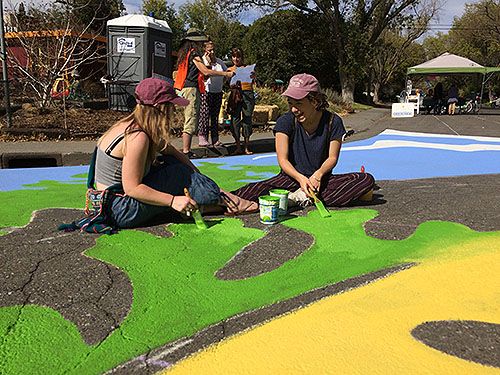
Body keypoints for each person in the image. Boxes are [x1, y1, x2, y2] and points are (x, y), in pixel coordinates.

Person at [77, 78, 257, 230]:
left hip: (106, 205)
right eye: (171, 106)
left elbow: (173, 152)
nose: (173, 111)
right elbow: (132, 188)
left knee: (171, 162)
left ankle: (215, 200)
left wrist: (200, 180)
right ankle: (227, 201)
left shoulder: (129, 124)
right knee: (178, 173)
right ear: (159, 108)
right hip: (120, 210)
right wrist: (172, 200)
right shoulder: (137, 137)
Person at [231, 73, 375, 207]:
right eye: (290, 103)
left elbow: (332, 158)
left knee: (364, 179)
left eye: (298, 103)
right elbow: (283, 160)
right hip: (290, 178)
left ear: (314, 101)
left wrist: (317, 176)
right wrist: (301, 179)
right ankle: (302, 197)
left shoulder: (333, 122)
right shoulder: (285, 121)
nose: (293, 109)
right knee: (250, 191)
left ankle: (298, 197)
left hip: (319, 180)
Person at [174, 29, 234, 158]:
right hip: (191, 89)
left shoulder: (187, 54)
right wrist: (225, 74)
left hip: (187, 88)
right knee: (191, 118)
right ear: (195, 42)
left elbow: (198, 74)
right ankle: (186, 151)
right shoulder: (194, 54)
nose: (202, 44)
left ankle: (187, 149)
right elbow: (205, 71)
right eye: (200, 42)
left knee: (193, 117)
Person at [198, 41, 227, 147]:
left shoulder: (219, 62)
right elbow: (205, 74)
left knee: (215, 116)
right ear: (206, 50)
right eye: (210, 50)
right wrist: (209, 63)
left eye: (213, 50)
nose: (212, 52)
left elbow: (226, 73)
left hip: (217, 91)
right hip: (206, 91)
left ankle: (215, 138)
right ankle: (203, 137)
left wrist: (222, 81)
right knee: (204, 115)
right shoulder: (202, 61)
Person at [227, 47, 255, 155]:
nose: (236, 59)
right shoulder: (229, 69)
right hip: (235, 94)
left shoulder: (248, 68)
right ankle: (238, 146)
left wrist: (253, 76)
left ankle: (246, 147)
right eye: (234, 57)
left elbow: (253, 80)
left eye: (238, 57)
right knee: (235, 119)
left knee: (247, 118)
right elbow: (228, 83)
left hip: (247, 93)